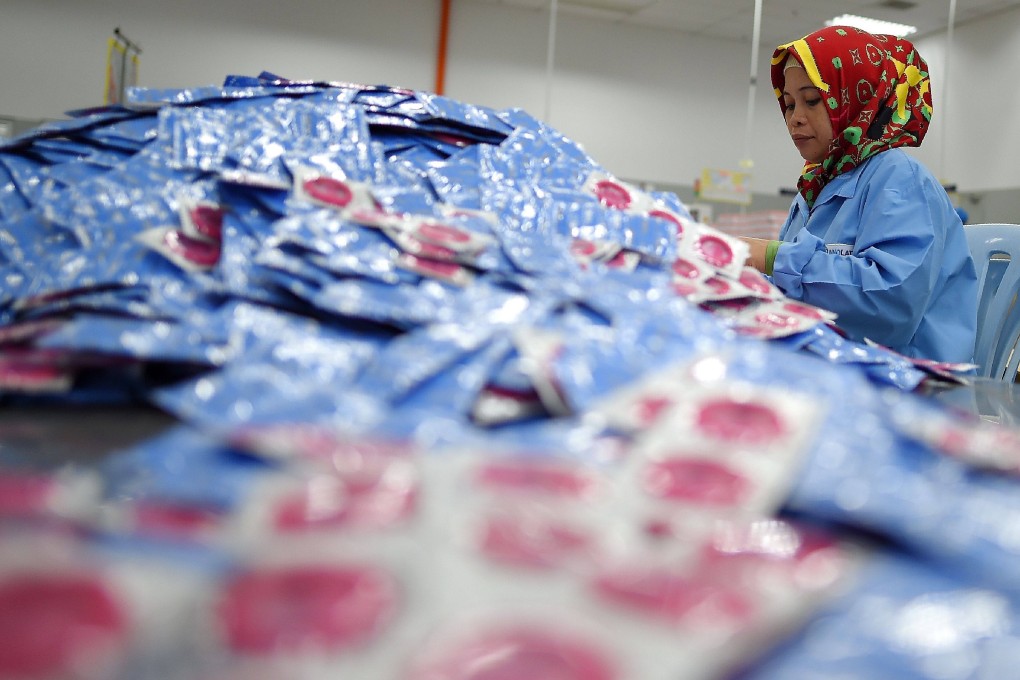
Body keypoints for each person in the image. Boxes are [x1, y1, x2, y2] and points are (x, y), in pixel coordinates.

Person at [740, 25, 978, 364]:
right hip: (836, 370)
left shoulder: (898, 178)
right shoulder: (813, 189)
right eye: (790, 104)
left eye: (811, 100)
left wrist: (774, 258)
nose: (795, 119)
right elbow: (796, 294)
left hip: (910, 384)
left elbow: (891, 306)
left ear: (857, 99)